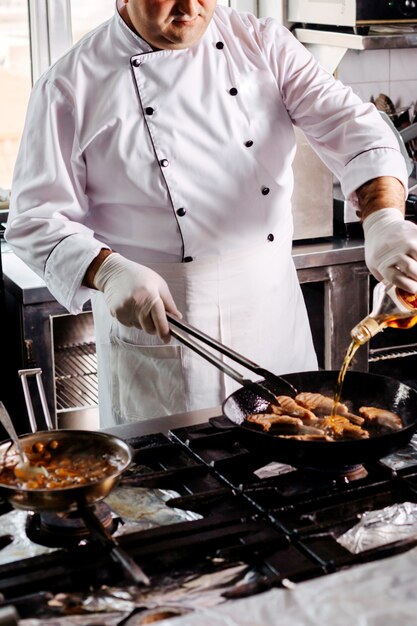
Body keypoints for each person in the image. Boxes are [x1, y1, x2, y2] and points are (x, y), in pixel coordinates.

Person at [5, 0, 416, 428]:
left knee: (293, 461)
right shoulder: (70, 83)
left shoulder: (262, 43)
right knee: (171, 485)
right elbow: (36, 219)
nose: (189, 7)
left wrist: (384, 221)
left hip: (271, 315)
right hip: (163, 324)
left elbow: (357, 129)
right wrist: (108, 272)